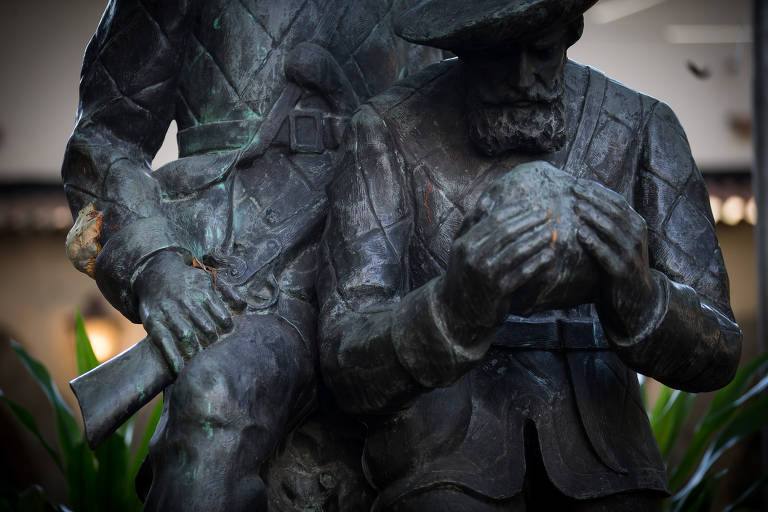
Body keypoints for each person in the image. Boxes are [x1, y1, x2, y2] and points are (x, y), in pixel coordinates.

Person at [317, 0, 743, 510]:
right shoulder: (388, 128)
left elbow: (720, 349)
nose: (522, 78)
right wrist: (452, 309)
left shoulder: (641, 125)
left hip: (610, 457)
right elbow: (345, 354)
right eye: (497, 54)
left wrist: (641, 297)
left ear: (572, 30)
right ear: (460, 48)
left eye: (541, 51)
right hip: (440, 460)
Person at [61, 0, 439, 510]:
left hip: (415, 258)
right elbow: (104, 137)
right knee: (212, 398)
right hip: (242, 260)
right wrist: (156, 266)